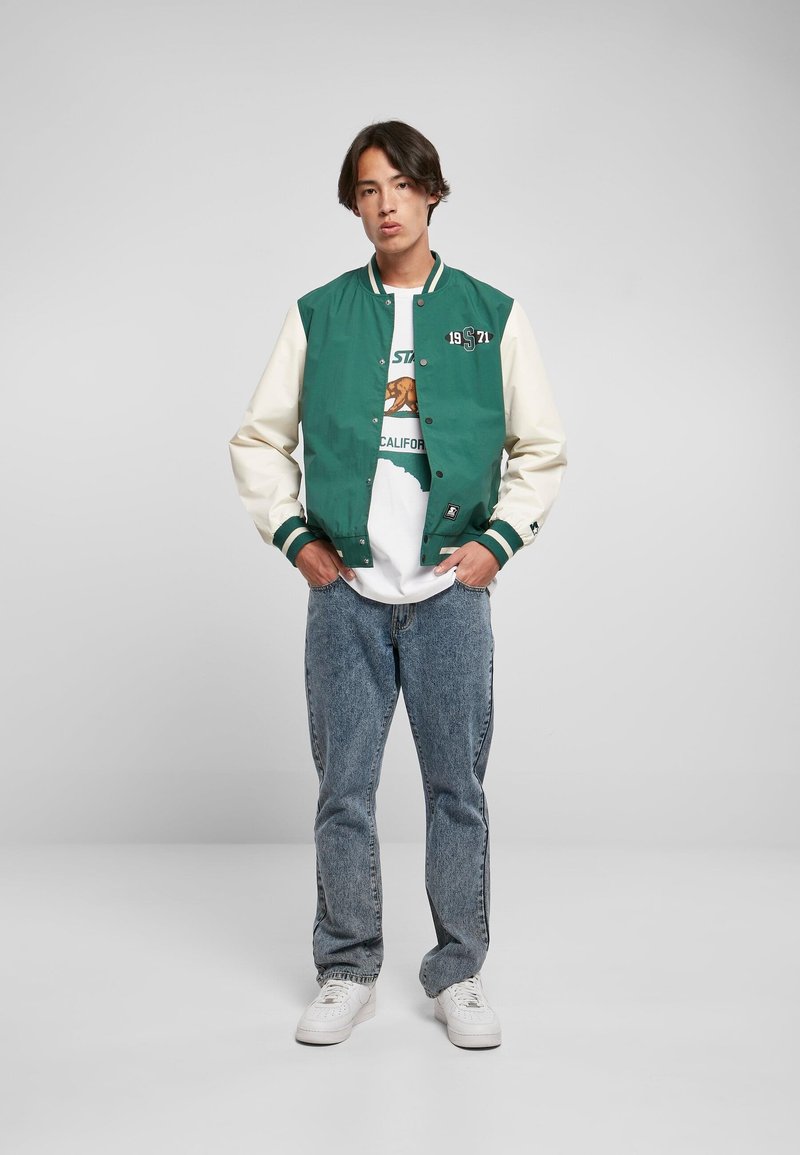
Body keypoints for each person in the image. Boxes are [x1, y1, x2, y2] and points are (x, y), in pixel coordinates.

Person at [228, 120, 567, 1049]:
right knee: (344, 788)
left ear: (431, 193)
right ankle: (347, 968)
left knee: (457, 789)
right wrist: (294, 537)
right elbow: (259, 439)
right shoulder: (319, 313)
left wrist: (499, 542)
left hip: (451, 593)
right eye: (368, 190)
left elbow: (541, 447)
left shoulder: (491, 314)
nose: (385, 205)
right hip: (345, 593)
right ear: (355, 204)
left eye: (401, 186)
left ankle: (458, 972)